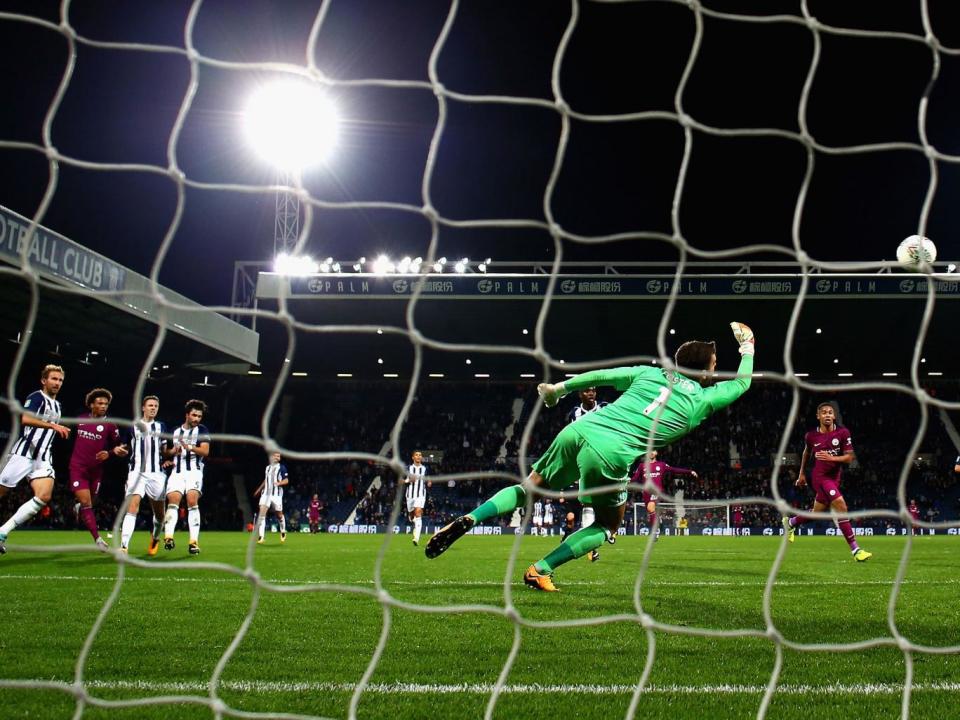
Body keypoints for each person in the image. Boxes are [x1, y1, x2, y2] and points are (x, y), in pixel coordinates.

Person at [426, 322, 756, 591]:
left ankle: (471, 517)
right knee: (607, 526)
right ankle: (541, 569)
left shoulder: (649, 373)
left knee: (530, 487)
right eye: (714, 364)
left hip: (580, 429)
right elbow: (741, 385)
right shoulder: (703, 399)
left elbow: (602, 376)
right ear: (707, 370)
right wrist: (748, 347)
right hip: (611, 454)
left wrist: (558, 390)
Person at [782, 402, 872, 562]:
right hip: (820, 477)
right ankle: (856, 550)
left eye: (830, 412)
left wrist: (832, 458)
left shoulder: (843, 433)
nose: (827, 415)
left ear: (834, 416)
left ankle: (791, 522)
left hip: (835, 478)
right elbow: (806, 452)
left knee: (816, 513)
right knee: (841, 505)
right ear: (818, 416)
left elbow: (850, 457)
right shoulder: (811, 436)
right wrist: (801, 473)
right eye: (824, 412)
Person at [0, 365, 71, 554]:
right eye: (54, 379)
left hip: (43, 458)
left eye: (60, 380)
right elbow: (25, 419)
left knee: (44, 496)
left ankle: (2, 533)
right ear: (44, 380)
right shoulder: (36, 397)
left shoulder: (58, 405)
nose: (57, 383)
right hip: (23, 454)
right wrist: (53, 426)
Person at [69, 388, 127, 550]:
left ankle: (80, 507)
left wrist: (111, 453)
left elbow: (121, 447)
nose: (103, 406)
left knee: (91, 502)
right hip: (78, 468)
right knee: (87, 503)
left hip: (96, 471)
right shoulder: (80, 419)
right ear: (91, 405)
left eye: (106, 404)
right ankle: (98, 540)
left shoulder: (110, 425)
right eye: (100, 403)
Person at [119, 396, 171, 555]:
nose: (153, 408)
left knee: (160, 515)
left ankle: (155, 538)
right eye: (150, 405)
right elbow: (125, 447)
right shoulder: (132, 426)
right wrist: (119, 450)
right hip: (137, 472)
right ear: (143, 407)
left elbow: (164, 451)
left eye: (156, 405)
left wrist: (172, 454)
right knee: (132, 508)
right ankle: (123, 547)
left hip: (157, 474)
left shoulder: (161, 427)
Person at [163, 399, 210, 555]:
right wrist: (171, 455)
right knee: (173, 500)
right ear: (187, 415)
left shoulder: (202, 430)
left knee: (191, 500)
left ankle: (193, 542)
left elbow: (205, 451)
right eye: (194, 415)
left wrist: (188, 447)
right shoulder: (174, 431)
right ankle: (168, 537)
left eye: (199, 416)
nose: (197, 419)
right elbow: (166, 452)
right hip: (177, 472)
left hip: (194, 471)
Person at [566, 387, 608, 561]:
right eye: (587, 391)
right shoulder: (574, 414)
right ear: (580, 394)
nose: (591, 393)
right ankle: (591, 547)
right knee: (588, 504)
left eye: (593, 390)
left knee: (603, 504)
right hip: (584, 462)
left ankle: (604, 533)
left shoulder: (605, 407)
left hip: (605, 459)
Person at [631, 450, 697, 536]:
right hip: (646, 492)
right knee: (650, 510)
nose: (651, 452)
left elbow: (674, 470)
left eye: (653, 451)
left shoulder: (661, 465)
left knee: (651, 508)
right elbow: (635, 478)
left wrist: (690, 471)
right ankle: (659, 521)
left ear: (656, 453)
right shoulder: (641, 466)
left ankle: (654, 532)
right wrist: (626, 482)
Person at [253, 451, 289, 544]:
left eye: (279, 456)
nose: (277, 457)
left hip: (276, 495)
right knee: (262, 514)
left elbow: (286, 480)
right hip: (265, 494)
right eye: (276, 456)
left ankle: (283, 531)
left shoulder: (282, 467)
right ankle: (261, 537)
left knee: (279, 515)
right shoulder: (267, 468)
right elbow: (266, 480)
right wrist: (258, 489)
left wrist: (279, 483)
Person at [404, 450, 430, 546]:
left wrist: (429, 482)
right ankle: (413, 519)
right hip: (410, 495)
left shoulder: (425, 469)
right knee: (411, 516)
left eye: (420, 455)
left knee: (418, 512)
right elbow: (402, 480)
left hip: (421, 495)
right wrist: (408, 480)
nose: (418, 456)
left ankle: (416, 538)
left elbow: (428, 478)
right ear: (413, 457)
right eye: (416, 455)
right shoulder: (407, 468)